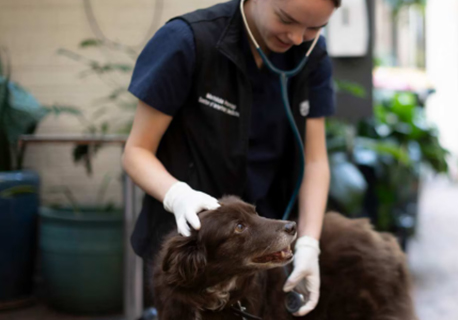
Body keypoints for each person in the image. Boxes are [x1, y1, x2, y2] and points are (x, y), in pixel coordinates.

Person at [121, 0, 340, 316]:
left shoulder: (312, 56)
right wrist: (177, 195)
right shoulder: (189, 41)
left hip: (261, 250)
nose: (296, 37)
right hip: (191, 253)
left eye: (314, 27)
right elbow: (136, 151)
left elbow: (315, 161)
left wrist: (309, 243)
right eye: (286, 20)